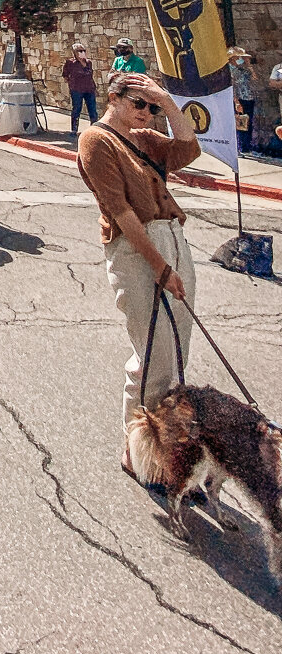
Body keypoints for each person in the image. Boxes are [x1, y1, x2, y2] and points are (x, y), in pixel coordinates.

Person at [77, 73, 200, 463]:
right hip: (137, 248)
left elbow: (188, 147)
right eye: (138, 104)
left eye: (150, 107)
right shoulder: (96, 140)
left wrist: (165, 100)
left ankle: (164, 447)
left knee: (177, 351)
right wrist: (160, 267)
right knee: (153, 356)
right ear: (114, 98)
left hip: (172, 237)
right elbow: (121, 212)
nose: (146, 112)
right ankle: (139, 453)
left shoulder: (145, 138)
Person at [63, 43, 98, 136]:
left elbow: (90, 74)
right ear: (75, 52)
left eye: (83, 51)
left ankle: (94, 129)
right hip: (77, 89)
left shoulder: (88, 62)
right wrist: (71, 83)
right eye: (80, 51)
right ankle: (74, 130)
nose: (82, 53)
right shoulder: (71, 63)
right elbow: (65, 75)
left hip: (89, 88)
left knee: (92, 109)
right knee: (77, 108)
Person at [229, 48, 257, 154]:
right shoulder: (229, 70)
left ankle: (247, 147)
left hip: (248, 97)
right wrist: (236, 102)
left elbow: (254, 78)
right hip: (239, 99)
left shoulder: (242, 69)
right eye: (239, 57)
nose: (240, 59)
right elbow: (232, 87)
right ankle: (241, 147)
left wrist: (248, 64)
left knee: (248, 122)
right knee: (240, 123)